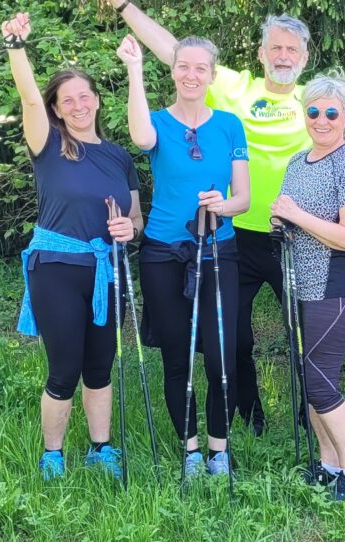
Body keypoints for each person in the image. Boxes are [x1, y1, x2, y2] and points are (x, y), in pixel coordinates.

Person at [108, 0, 345, 437]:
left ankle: (312, 424)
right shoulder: (235, 89)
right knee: (234, 339)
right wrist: (124, 7)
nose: (284, 56)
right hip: (234, 239)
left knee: (305, 340)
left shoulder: (318, 101)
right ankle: (248, 414)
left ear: (305, 57)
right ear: (261, 53)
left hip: (298, 240)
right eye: (276, 48)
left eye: (293, 49)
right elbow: (175, 50)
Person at [4, 13, 139, 481]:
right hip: (58, 267)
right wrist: (16, 45)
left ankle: (101, 449)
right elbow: (27, 97)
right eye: (68, 100)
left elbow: (135, 218)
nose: (79, 105)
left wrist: (129, 230)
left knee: (100, 365)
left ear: (98, 101)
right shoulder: (48, 145)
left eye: (86, 96)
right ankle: (53, 455)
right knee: (64, 368)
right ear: (57, 109)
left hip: (107, 271)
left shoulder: (120, 156)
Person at [117, 34, 250, 479]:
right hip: (162, 253)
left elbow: (244, 199)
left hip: (217, 249)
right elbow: (139, 136)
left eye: (200, 68)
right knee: (177, 357)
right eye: (183, 67)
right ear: (172, 71)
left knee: (220, 358)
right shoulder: (157, 122)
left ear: (212, 75)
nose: (191, 75)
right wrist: (135, 71)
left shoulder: (230, 124)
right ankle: (191, 450)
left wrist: (222, 205)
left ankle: (219, 450)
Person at [270, 72, 345, 500]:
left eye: (331, 112)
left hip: (335, 279)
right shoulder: (297, 161)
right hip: (299, 282)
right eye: (314, 111)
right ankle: (330, 465)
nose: (322, 119)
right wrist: (281, 219)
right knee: (308, 375)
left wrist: (295, 216)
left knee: (321, 381)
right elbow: (286, 211)